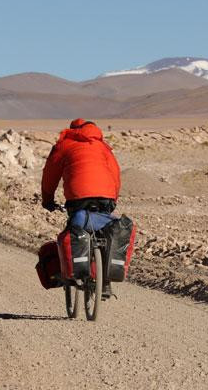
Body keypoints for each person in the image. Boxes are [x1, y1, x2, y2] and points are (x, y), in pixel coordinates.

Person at [41, 118, 121, 298]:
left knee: (75, 229)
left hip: (78, 198)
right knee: (104, 231)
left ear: (73, 130)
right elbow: (115, 174)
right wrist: (113, 198)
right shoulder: (103, 147)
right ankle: (105, 281)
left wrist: (48, 199)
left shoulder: (65, 144)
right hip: (106, 197)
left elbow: (50, 175)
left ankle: (77, 274)